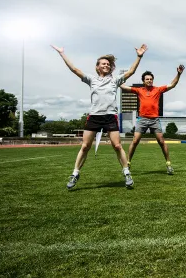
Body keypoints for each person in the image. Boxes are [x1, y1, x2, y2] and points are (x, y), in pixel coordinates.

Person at [51, 44, 148, 189]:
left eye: (108, 64)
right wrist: (62, 53)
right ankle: (75, 173)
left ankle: (126, 172)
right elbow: (74, 69)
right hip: (94, 116)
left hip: (110, 117)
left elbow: (131, 72)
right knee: (85, 147)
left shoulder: (115, 80)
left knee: (117, 145)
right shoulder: (91, 79)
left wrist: (139, 56)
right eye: (103, 63)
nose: (106, 65)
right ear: (97, 67)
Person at [120, 65, 185, 175]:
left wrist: (178, 73)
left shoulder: (158, 90)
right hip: (142, 119)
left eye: (151, 79)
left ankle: (168, 164)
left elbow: (172, 84)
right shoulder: (139, 90)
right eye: (147, 79)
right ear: (143, 81)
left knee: (161, 141)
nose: (149, 81)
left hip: (154, 120)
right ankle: (128, 164)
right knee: (135, 141)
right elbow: (123, 87)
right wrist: (117, 79)